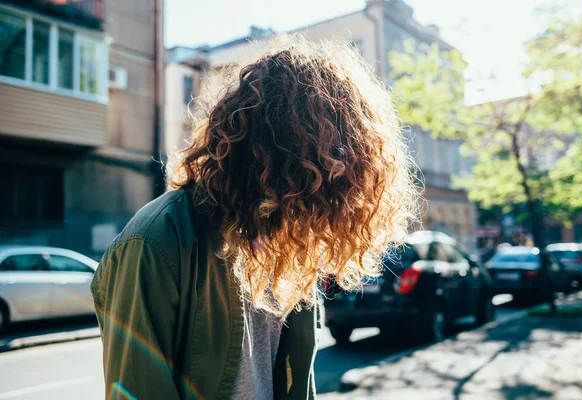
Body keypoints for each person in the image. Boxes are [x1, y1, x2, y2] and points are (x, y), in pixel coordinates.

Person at [91, 34, 418, 400]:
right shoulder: (157, 240)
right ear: (283, 153)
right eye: (332, 158)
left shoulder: (293, 245)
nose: (342, 177)